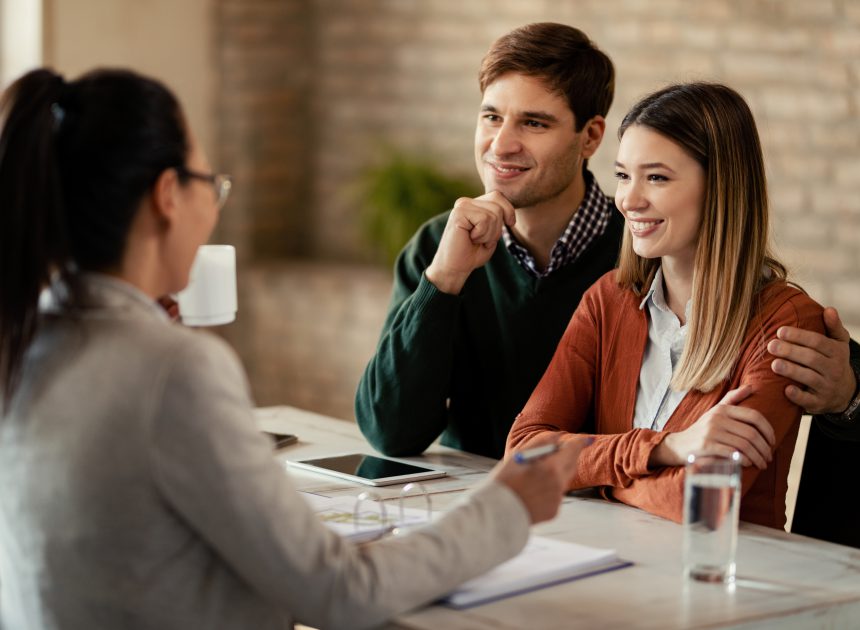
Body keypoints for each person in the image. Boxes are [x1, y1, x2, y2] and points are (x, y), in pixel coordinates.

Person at [0, 68, 588, 630]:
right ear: (167, 197)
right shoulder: (171, 366)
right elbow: (342, 591)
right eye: (210, 183)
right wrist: (507, 507)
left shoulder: (24, 337)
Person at [355, 22, 859, 464]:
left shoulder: (650, 244)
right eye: (491, 117)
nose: (501, 144)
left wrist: (850, 392)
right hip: (482, 500)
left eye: (533, 122)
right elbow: (391, 432)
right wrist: (443, 281)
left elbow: (771, 318)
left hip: (608, 507)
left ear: (591, 136)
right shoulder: (441, 246)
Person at [507, 82, 824, 529]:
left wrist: (589, 477)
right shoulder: (608, 300)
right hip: (613, 556)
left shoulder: (785, 322)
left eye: (656, 177)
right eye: (623, 175)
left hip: (723, 566)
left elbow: (698, 499)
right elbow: (522, 454)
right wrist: (664, 449)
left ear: (720, 187)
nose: (629, 200)